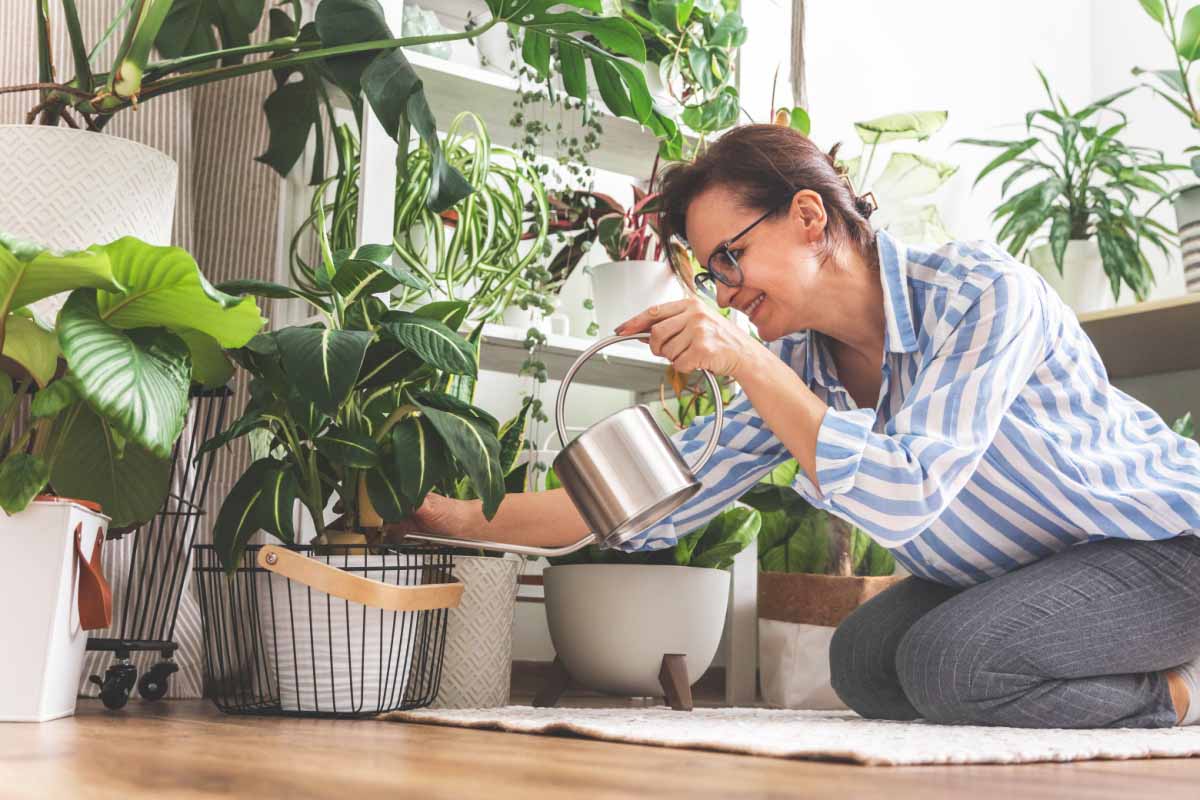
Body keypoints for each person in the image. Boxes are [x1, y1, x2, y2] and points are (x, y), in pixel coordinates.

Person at [394, 123, 1200, 729]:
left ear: (809, 216)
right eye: (711, 275)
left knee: (949, 662)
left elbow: (909, 492)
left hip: (1161, 547)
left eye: (731, 259)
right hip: (1025, 575)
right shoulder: (803, 374)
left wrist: (746, 362)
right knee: (861, 661)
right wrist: (448, 518)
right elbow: (646, 496)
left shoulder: (983, 294)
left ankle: (1180, 692)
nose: (725, 290)